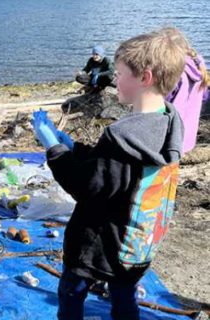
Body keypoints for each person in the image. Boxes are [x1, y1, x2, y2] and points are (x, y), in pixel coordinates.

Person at [31, 30, 185, 320]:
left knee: (71, 293)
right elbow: (116, 170)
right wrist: (73, 146)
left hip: (97, 248)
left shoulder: (121, 136)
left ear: (145, 78)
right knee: (124, 296)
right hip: (135, 246)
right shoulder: (168, 121)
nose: (114, 77)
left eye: (121, 72)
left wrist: (52, 147)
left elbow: (84, 184)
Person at [162, 27, 210, 154]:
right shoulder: (198, 67)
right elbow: (204, 97)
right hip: (187, 139)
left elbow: (162, 105)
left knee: (161, 171)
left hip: (169, 138)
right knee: (170, 170)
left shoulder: (176, 74)